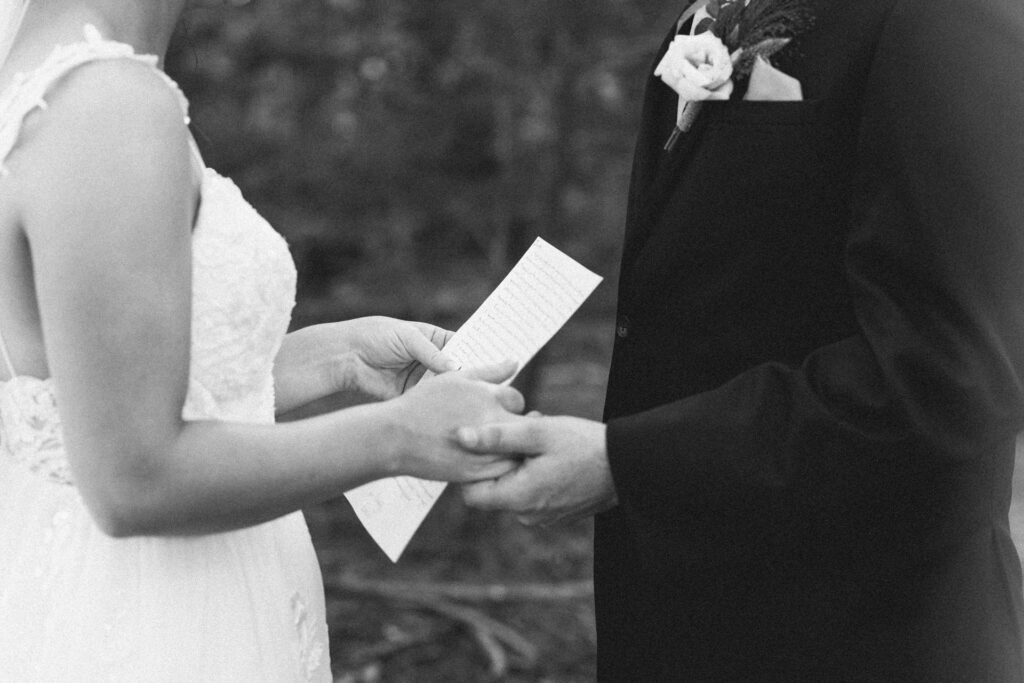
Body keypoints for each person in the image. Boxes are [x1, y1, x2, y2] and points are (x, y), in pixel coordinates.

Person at [459, 0, 1024, 680]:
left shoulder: (940, 19)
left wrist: (628, 462)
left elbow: (943, 380)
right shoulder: (702, 19)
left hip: (856, 634)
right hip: (694, 613)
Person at [0, 1, 525, 680]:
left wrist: (332, 356)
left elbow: (81, 394)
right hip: (160, 623)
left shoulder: (52, 77)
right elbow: (135, 479)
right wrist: (395, 436)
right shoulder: (105, 103)